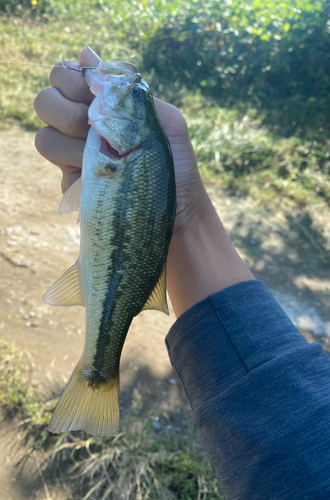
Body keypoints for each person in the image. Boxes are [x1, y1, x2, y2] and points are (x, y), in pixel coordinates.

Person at [34, 46, 330, 499]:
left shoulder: (128, 143)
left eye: (134, 97)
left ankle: (97, 372)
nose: (124, 90)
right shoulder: (130, 142)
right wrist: (181, 219)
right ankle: (98, 372)